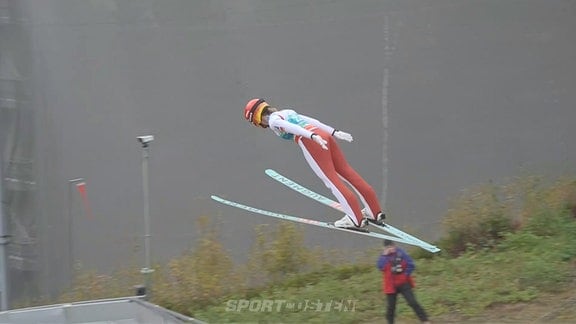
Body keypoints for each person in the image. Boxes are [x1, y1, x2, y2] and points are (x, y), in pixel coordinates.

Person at [243, 98, 386, 229]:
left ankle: (356, 219)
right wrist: (333, 132)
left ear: (256, 118)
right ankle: (374, 211)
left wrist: (312, 136)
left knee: (331, 180)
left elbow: (293, 128)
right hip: (323, 135)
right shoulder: (286, 112)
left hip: (310, 140)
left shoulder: (274, 121)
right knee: (346, 171)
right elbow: (314, 121)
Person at [377, 239, 430, 324]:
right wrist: (384, 255)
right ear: (384, 248)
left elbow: (411, 264)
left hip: (404, 283)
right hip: (391, 285)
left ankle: (425, 320)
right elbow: (380, 267)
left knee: (413, 302)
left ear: (394, 245)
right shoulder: (383, 257)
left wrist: (405, 275)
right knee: (391, 307)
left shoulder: (401, 253)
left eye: (392, 246)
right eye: (388, 247)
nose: (391, 249)